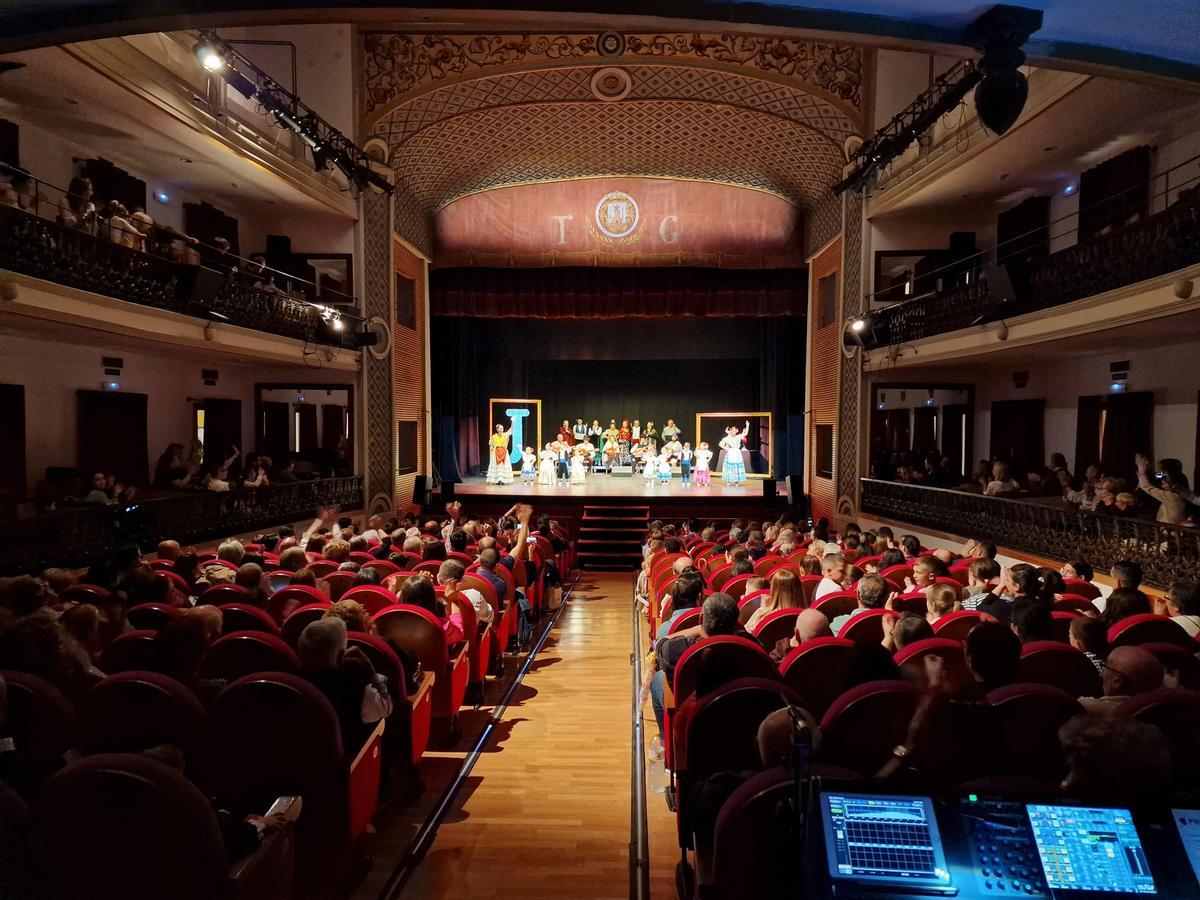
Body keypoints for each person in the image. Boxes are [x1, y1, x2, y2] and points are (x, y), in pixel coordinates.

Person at [297, 618, 393, 752]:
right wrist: (371, 671)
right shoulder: (353, 687)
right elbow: (386, 707)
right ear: (341, 655)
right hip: (348, 764)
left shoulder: (288, 683)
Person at [1078, 645, 1164, 716]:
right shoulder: (1165, 711)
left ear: (1117, 681)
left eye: (1105, 667)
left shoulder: (1085, 708)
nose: (1101, 674)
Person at [399, 575, 464, 645]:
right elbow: (459, 633)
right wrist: (454, 600)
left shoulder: (395, 623)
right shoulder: (439, 627)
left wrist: (417, 583)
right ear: (432, 598)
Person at [1135, 453, 1190, 524]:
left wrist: (1141, 471)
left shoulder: (1172, 496)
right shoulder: (1177, 478)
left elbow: (1146, 486)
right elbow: (1154, 477)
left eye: (1161, 471)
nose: (1159, 474)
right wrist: (1145, 471)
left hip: (1168, 531)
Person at [719, 420, 750, 485]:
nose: (733, 432)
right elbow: (720, 444)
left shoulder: (738, 436)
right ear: (730, 431)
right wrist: (727, 449)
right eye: (731, 430)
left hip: (737, 452)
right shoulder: (726, 438)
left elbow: (745, 433)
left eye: (734, 430)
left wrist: (747, 426)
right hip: (730, 452)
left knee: (737, 466)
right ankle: (729, 481)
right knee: (729, 467)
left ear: (737, 431)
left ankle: (736, 481)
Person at [486, 419, 515, 485]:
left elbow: (511, 430)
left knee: (503, 465)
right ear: (497, 429)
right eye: (500, 428)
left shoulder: (505, 435)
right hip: (496, 452)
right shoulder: (494, 436)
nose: (501, 429)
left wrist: (513, 421)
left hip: (504, 452)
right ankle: (497, 480)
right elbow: (490, 443)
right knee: (497, 465)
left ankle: (502, 480)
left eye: (502, 428)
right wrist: (492, 445)